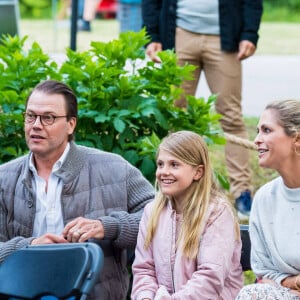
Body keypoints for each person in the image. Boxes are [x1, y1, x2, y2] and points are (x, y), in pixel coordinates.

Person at [0, 79, 154, 300]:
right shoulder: (4, 178)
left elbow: (162, 219)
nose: (35, 125)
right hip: (21, 294)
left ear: (71, 124)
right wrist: (29, 247)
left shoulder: (115, 169)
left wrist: (107, 226)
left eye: (48, 118)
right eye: (30, 116)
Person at [142, 0, 263, 220]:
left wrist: (249, 33)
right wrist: (153, 35)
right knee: (173, 118)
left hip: (225, 38)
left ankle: (242, 192)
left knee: (231, 117)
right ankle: (171, 189)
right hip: (179, 34)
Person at [131, 130, 243, 299]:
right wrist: (145, 297)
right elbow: (144, 270)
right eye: (161, 164)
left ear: (198, 172)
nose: (164, 172)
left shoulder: (217, 213)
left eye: (174, 165)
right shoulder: (152, 212)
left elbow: (210, 277)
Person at [236, 99, 300, 300]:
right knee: (252, 294)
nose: (256, 139)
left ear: (296, 139)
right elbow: (264, 272)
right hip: (286, 294)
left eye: (266, 130)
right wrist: (294, 282)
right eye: (257, 131)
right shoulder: (265, 198)